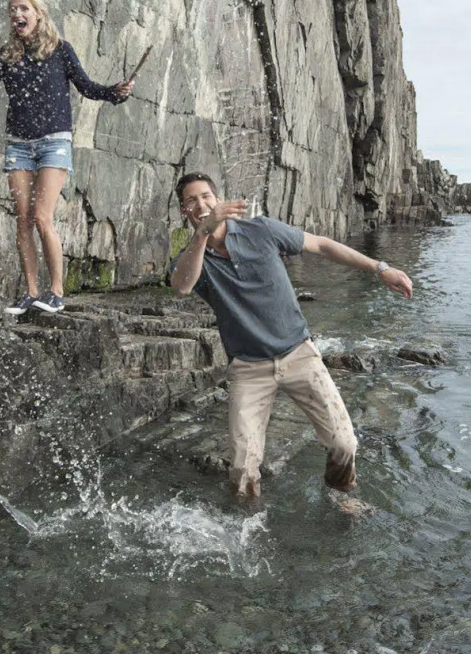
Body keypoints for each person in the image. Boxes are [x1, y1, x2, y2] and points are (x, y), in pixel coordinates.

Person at [168, 172, 414, 503]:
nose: (201, 204)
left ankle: (341, 494)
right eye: (191, 201)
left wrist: (380, 268)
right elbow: (182, 285)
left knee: (344, 443)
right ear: (184, 210)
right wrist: (201, 235)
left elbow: (322, 245)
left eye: (206, 197)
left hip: (298, 354)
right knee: (242, 470)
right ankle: (249, 527)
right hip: (248, 368)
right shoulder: (192, 258)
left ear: (218, 199)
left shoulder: (261, 230)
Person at [0, 0, 133, 314]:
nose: (17, 15)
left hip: (54, 141)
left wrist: (117, 92)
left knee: (43, 217)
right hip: (19, 145)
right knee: (23, 220)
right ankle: (30, 292)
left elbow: (89, 88)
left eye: (24, 8)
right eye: (13, 10)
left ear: (38, 14)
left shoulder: (60, 50)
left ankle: (55, 292)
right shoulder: (7, 55)